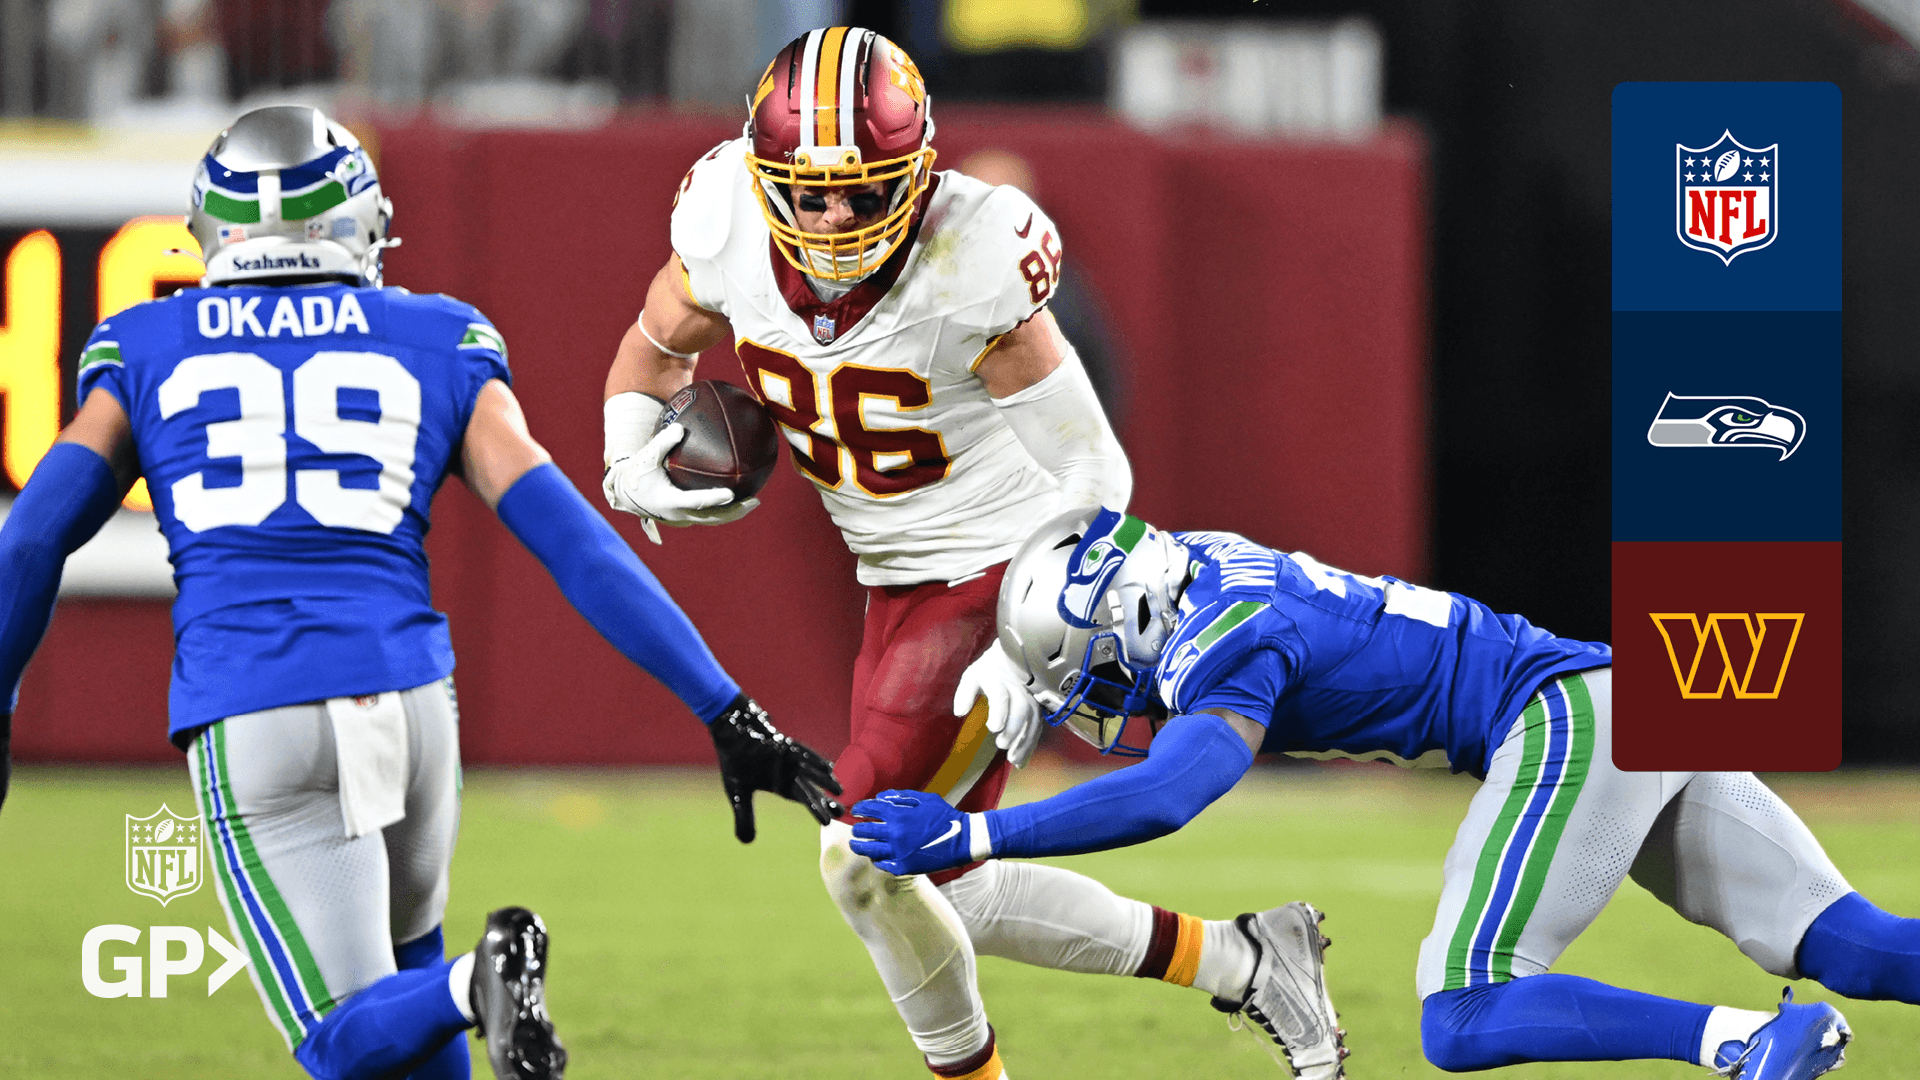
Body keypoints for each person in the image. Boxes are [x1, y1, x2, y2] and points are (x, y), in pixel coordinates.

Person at [0, 105, 841, 1080]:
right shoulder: (435, 337)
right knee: (411, 975)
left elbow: (33, 538)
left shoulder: (146, 345)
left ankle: (480, 978)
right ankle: (468, 983)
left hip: (256, 703)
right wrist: (724, 706)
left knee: (341, 1035)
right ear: (357, 219)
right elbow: (572, 542)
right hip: (411, 705)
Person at [598, 26, 1342, 1080]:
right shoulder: (722, 223)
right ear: (764, 179)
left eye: (863, 191)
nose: (835, 220)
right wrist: (628, 451)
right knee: (947, 882)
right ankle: (1247, 961)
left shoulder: (969, 255)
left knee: (862, 855)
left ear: (915, 172)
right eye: (810, 195)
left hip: (999, 571)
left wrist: (1029, 635)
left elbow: (1094, 467)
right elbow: (656, 345)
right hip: (896, 587)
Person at [849, 506, 1920, 1079]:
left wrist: (977, 834)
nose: (1103, 698)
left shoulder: (1229, 637)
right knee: (1856, 946)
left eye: (1094, 669)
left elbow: (1174, 792)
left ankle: (1744, 1044)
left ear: (1129, 617)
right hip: (1620, 695)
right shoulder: (1198, 564)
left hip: (1567, 717)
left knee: (1463, 1011)